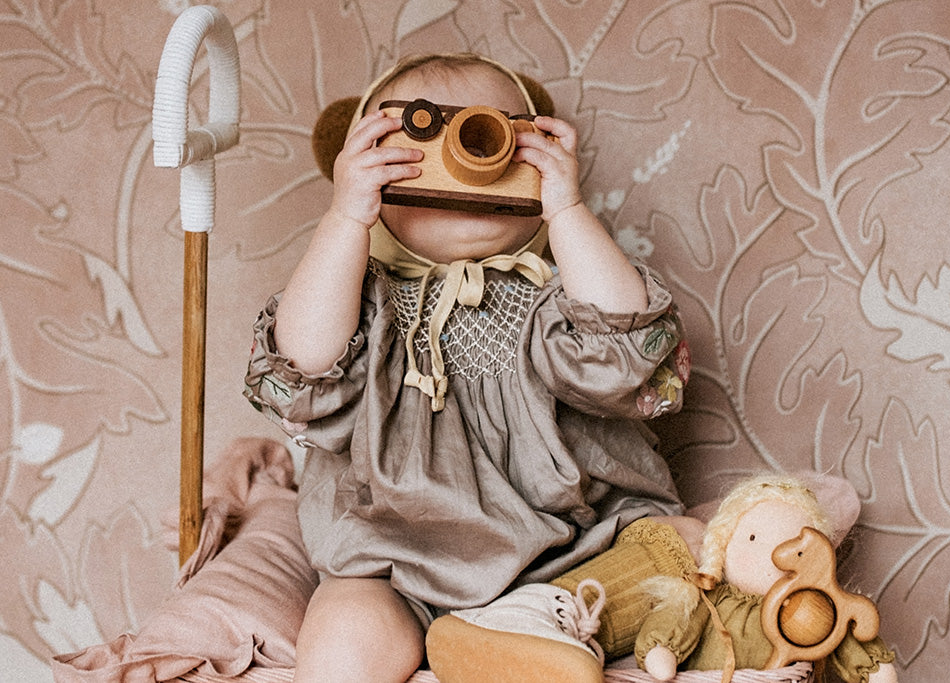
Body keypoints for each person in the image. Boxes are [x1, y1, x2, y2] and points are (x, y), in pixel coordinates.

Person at [244, 53, 694, 683]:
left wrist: (566, 210)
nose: (464, 159)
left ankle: (526, 632)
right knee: (343, 631)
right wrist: (345, 217)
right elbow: (305, 366)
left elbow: (624, 356)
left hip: (576, 559)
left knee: (689, 548)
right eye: (423, 135)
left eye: (488, 135)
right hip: (399, 567)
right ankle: (480, 640)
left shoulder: (557, 299)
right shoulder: (361, 302)